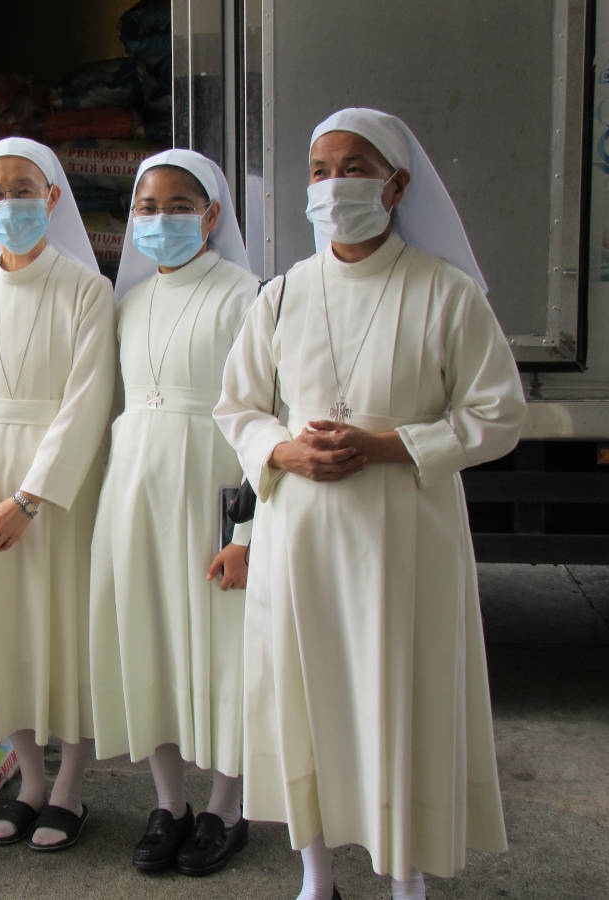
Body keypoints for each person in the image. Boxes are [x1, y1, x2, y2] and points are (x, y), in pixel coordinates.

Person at [213, 108, 525, 900]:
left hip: (403, 539)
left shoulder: (447, 295)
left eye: (352, 167)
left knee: (399, 696)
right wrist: (282, 450)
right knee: (306, 695)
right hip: (301, 541)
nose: (331, 185)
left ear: (397, 184)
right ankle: (316, 874)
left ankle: (405, 877)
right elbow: (237, 407)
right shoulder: (281, 296)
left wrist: (387, 446)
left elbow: (498, 414)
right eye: (318, 170)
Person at [0, 137, 115, 851]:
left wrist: (29, 499)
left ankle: (70, 784)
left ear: (53, 197)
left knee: (63, 628)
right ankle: (28, 780)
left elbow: (88, 401)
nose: (10, 201)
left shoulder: (87, 289)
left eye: (24, 187)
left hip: (57, 491)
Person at [89, 149, 258, 877]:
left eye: (179, 206)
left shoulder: (246, 296)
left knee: (222, 651)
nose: (160, 220)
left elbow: (261, 417)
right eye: (147, 208)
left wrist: (250, 530)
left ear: (213, 216)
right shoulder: (126, 304)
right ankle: (169, 802)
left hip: (211, 489)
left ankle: (226, 805)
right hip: (136, 493)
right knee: (148, 640)